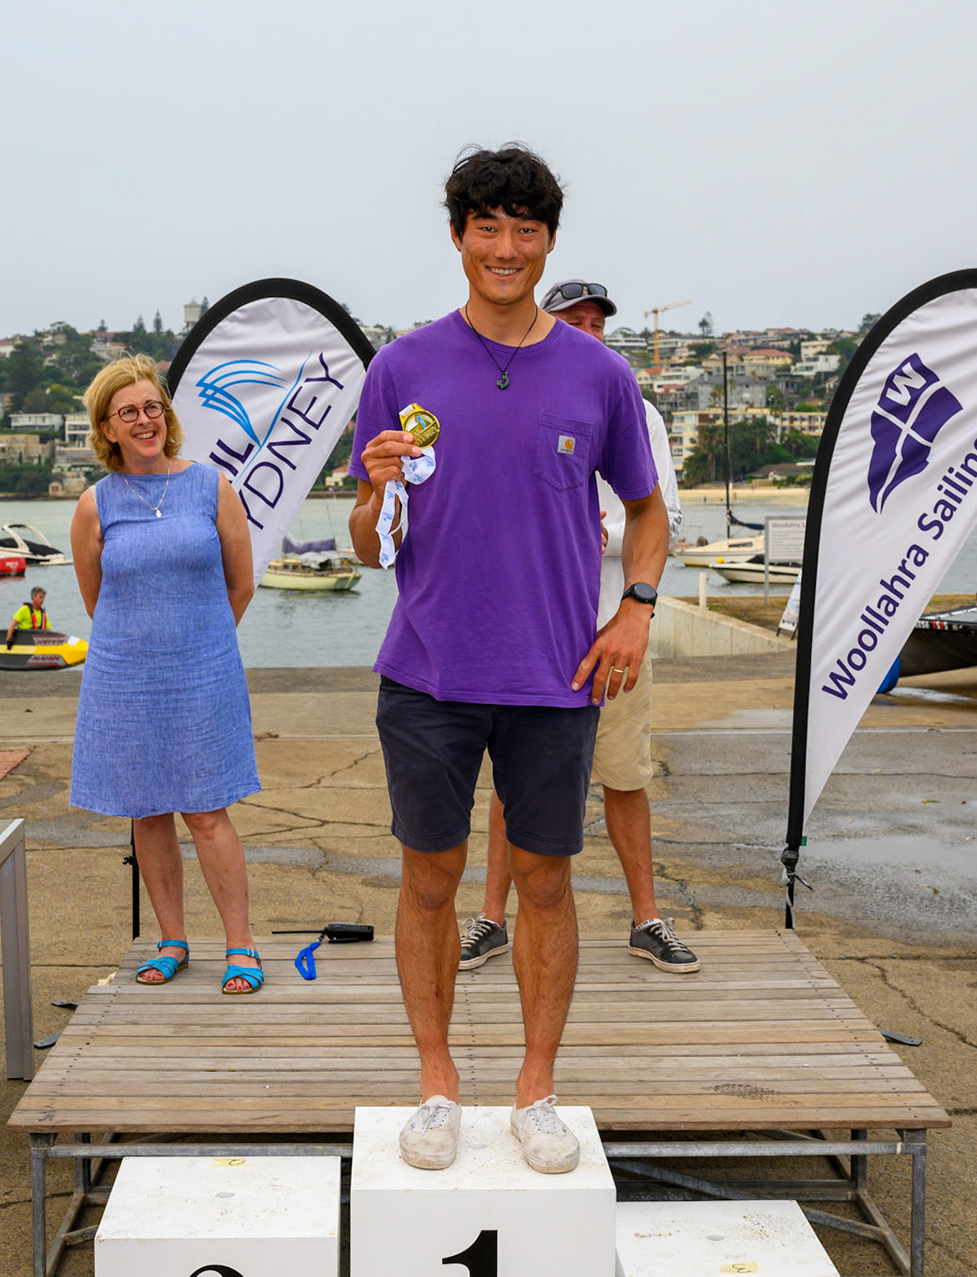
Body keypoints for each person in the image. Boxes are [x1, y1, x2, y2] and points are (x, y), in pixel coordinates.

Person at [348, 146, 668, 1174]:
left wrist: (636, 609)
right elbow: (370, 546)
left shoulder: (600, 373)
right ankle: (437, 1084)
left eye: (525, 229)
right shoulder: (402, 368)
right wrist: (374, 491)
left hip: (555, 677)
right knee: (429, 879)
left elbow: (648, 513)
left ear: (549, 242)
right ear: (457, 236)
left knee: (546, 882)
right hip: (428, 671)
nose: (505, 247)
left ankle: (537, 1090)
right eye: (486, 226)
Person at [461, 279, 697, 976]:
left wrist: (605, 544)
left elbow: (666, 517)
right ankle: (490, 919)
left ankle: (646, 918)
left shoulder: (637, 409)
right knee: (511, 785)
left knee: (625, 775)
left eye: (598, 323)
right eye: (575, 321)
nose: (589, 333)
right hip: (532, 634)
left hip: (611, 629)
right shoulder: (513, 397)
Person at [69, 355, 265, 995]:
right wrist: (149, 646)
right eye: (128, 411)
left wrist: (199, 644)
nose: (144, 419)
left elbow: (241, 584)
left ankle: (241, 945)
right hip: (125, 680)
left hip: (204, 676)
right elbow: (98, 602)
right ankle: (172, 941)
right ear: (107, 428)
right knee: (148, 813)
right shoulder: (94, 505)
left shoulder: (212, 486)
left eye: (152, 406)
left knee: (207, 813)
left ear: (166, 415)